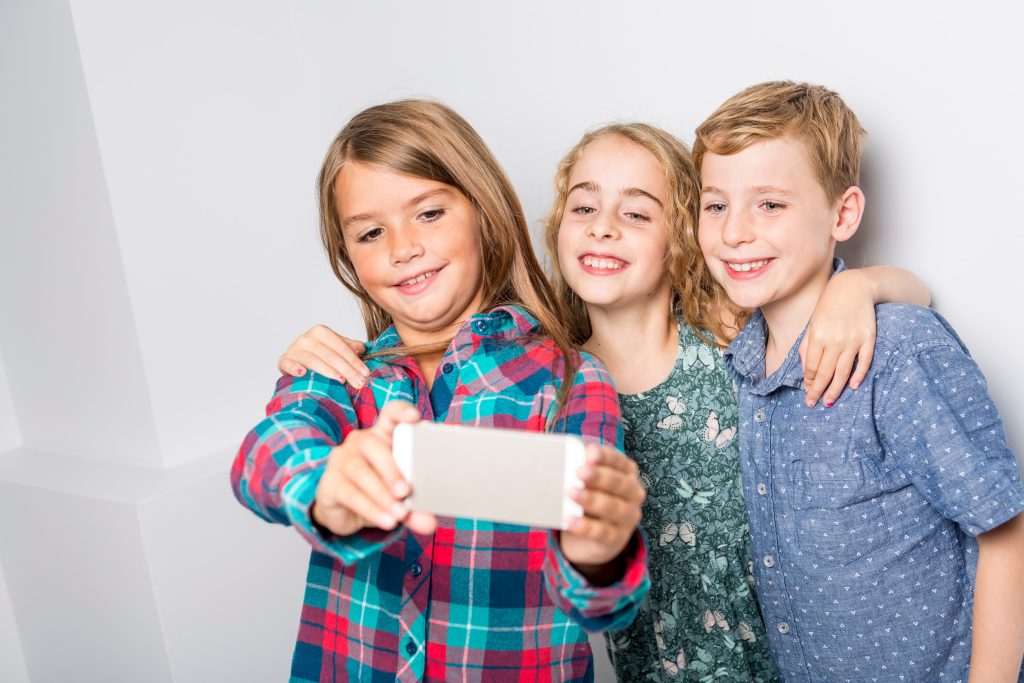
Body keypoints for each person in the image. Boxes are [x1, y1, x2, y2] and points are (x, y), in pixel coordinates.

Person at [277, 119, 931, 681]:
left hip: (778, 652)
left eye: (637, 212)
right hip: (647, 660)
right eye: (585, 208)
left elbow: (912, 296)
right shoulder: (544, 376)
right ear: (558, 227)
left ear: (681, 237)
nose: (605, 229)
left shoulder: (732, 338)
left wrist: (859, 286)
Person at [231, 99, 650, 683]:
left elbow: (605, 609)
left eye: (428, 214)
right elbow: (260, 459)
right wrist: (325, 487)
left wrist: (596, 552)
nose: (402, 248)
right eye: (371, 232)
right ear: (346, 254)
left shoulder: (570, 382)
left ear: (482, 209)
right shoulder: (339, 374)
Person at [695, 80, 1024, 682]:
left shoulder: (900, 351)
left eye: (770, 204)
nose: (734, 231)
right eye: (716, 205)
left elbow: (1005, 530)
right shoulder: (739, 357)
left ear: (842, 214)